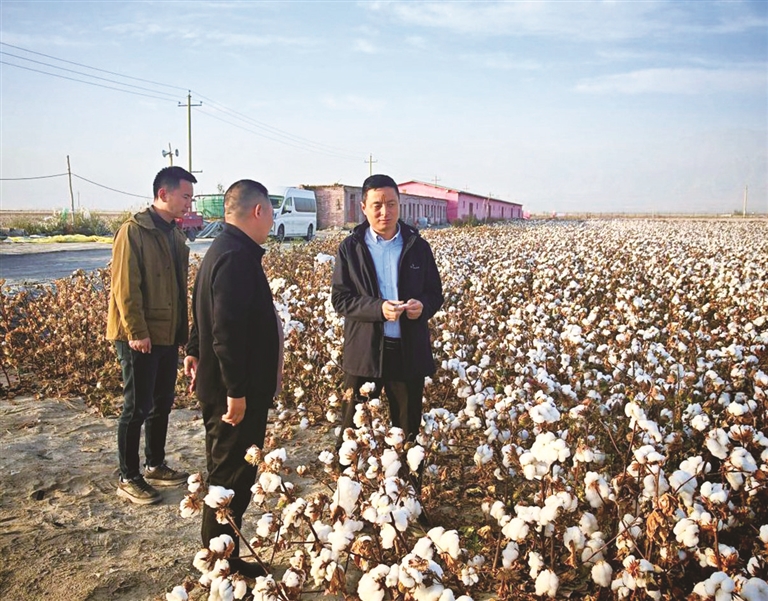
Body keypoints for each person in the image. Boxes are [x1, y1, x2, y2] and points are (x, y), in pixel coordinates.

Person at [184, 179, 282, 578]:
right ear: (257, 211)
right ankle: (219, 561)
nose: (272, 221)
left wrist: (193, 348)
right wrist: (237, 392)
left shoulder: (222, 250)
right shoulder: (237, 258)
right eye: (271, 213)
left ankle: (220, 554)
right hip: (234, 394)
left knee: (228, 471)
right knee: (231, 478)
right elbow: (226, 329)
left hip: (227, 386)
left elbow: (200, 305)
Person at [331, 174, 444, 457]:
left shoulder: (417, 246)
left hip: (408, 352)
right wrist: (378, 309)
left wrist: (423, 307)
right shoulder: (350, 248)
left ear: (400, 205)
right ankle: (348, 490)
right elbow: (341, 299)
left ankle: (407, 494)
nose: (385, 212)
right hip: (365, 353)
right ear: (364, 208)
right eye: (378, 205)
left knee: (407, 432)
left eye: (391, 204)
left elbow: (435, 292)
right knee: (352, 432)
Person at [107, 166, 196, 505]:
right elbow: (125, 288)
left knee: (161, 403)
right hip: (138, 336)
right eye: (185, 196)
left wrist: (181, 334)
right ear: (164, 194)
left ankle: (155, 464)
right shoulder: (134, 232)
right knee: (136, 406)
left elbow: (175, 288)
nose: (188, 203)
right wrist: (136, 332)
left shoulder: (173, 234)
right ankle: (128, 476)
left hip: (165, 334)